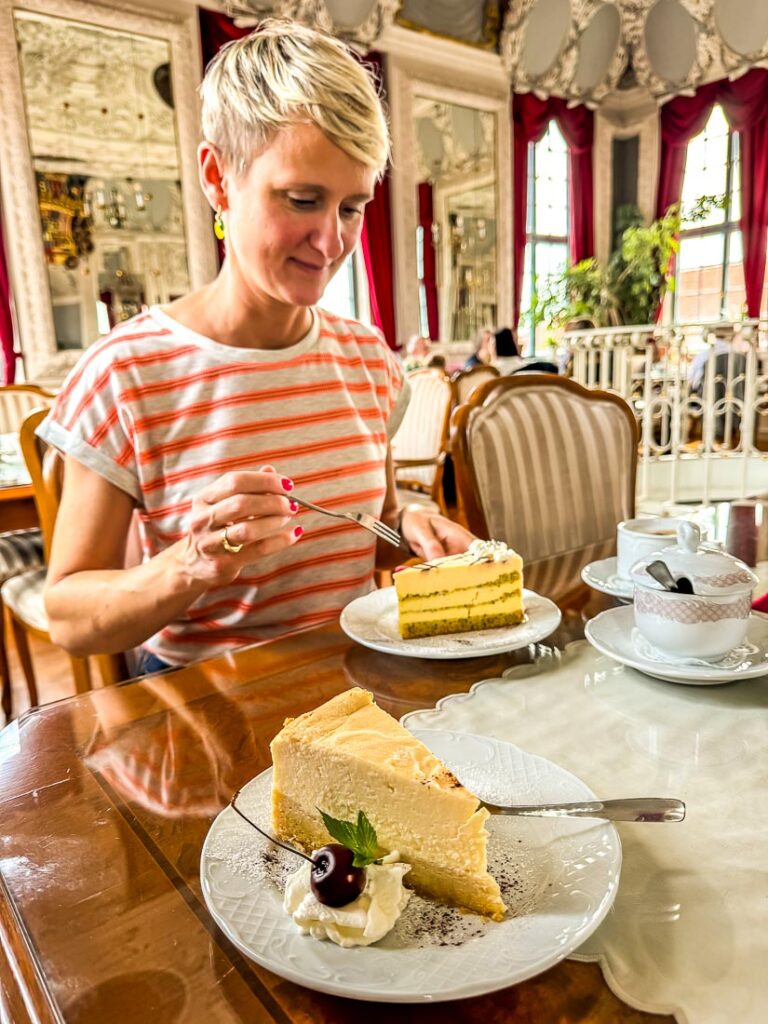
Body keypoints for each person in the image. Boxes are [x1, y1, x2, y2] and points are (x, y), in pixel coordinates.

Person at [39, 21, 473, 672]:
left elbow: (368, 527)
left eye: (352, 208)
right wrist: (191, 564)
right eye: (302, 199)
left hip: (353, 690)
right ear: (219, 178)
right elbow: (70, 615)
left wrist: (407, 525)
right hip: (204, 710)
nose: (331, 245)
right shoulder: (125, 373)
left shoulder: (367, 361)